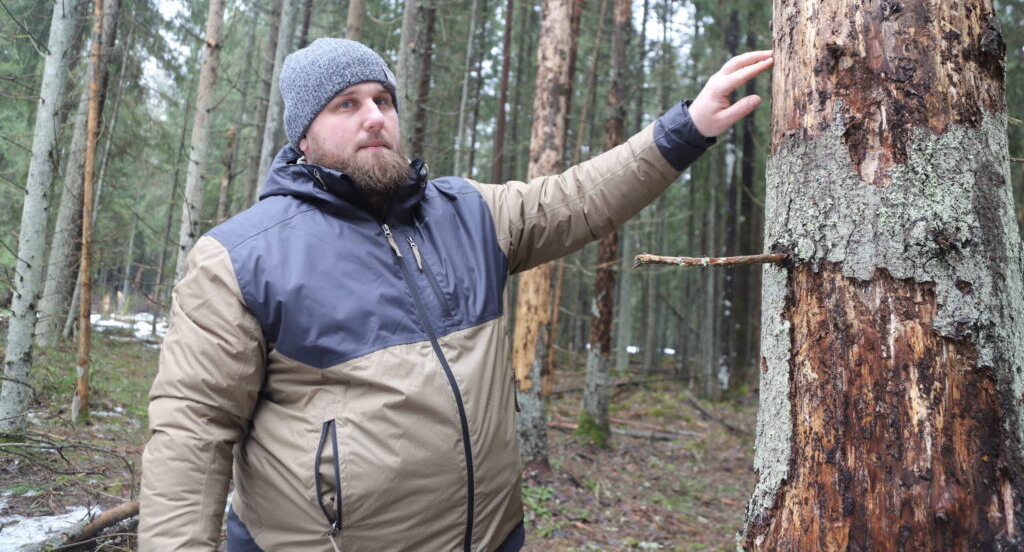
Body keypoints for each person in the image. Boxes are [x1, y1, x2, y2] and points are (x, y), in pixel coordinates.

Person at [138, 38, 773, 551]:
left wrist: (686, 128)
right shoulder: (241, 257)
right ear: (302, 134)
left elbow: (579, 198)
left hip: (493, 537)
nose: (375, 117)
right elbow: (192, 430)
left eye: (383, 99)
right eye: (346, 105)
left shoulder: (468, 213)